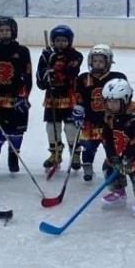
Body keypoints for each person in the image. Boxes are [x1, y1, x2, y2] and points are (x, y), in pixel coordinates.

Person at [0, 16, 33, 176]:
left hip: (17, 100)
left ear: (13, 31)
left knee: (16, 132)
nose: (4, 33)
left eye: (7, 30)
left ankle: (13, 156)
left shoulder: (22, 51)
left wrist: (23, 96)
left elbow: (28, 75)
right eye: (1, 30)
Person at [100, 78, 135, 216]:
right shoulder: (110, 117)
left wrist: (129, 157)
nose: (111, 105)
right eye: (109, 101)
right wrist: (112, 155)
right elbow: (106, 137)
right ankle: (118, 192)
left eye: (115, 102)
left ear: (125, 100)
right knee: (109, 167)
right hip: (120, 149)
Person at [72, 44, 126, 182]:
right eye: (95, 61)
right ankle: (88, 167)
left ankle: (112, 168)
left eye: (101, 61)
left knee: (111, 147)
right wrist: (78, 110)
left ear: (108, 62)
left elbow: (124, 97)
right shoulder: (84, 78)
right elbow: (79, 97)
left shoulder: (117, 78)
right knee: (88, 147)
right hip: (91, 120)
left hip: (110, 121)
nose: (97, 64)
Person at [35, 24, 83, 172]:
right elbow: (40, 82)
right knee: (52, 128)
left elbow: (71, 73)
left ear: (69, 41)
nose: (60, 43)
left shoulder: (75, 55)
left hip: (69, 97)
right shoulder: (46, 56)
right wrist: (45, 73)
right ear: (52, 41)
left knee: (70, 128)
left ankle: (75, 154)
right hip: (52, 99)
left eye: (64, 40)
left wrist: (53, 68)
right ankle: (55, 154)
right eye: (57, 40)